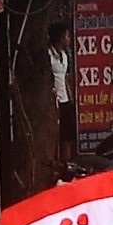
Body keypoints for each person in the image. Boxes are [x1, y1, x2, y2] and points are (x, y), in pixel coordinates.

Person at [47, 21, 74, 164]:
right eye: (67, 36)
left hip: (65, 100)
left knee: (67, 136)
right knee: (54, 136)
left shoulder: (64, 56)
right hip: (54, 101)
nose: (68, 40)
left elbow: (65, 78)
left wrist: (70, 98)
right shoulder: (48, 56)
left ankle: (66, 165)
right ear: (60, 38)